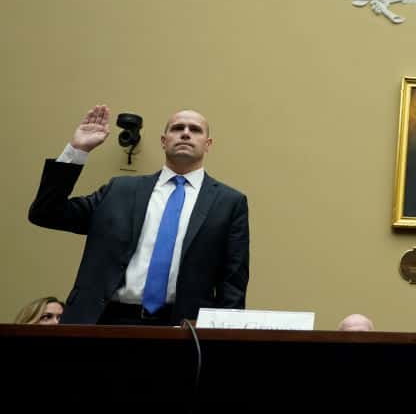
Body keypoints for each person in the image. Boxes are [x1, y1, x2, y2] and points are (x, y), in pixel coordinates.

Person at [28, 105, 250, 326]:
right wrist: (77, 150)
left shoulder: (229, 203)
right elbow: (46, 213)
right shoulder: (120, 190)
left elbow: (233, 280)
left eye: (195, 129)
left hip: (183, 327)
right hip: (107, 320)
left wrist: (224, 335)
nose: (185, 133)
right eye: (177, 128)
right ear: (163, 141)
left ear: (208, 144)